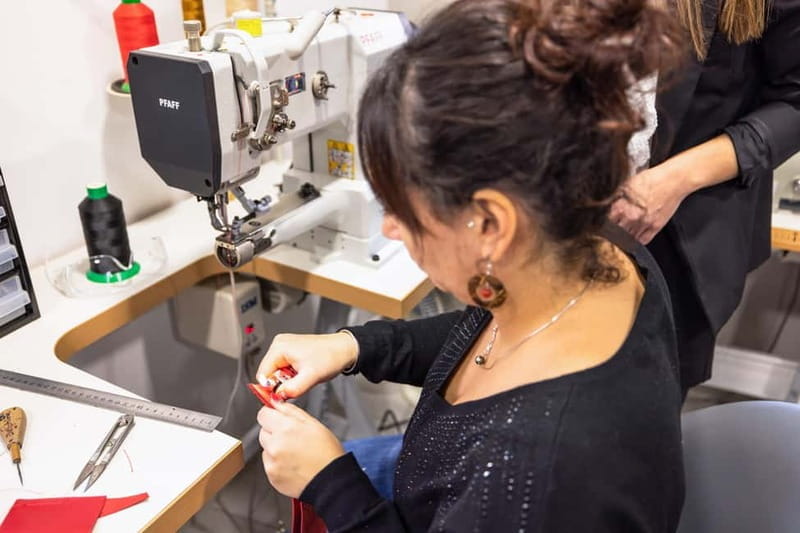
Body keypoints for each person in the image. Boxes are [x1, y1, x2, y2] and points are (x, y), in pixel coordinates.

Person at [255, 0, 686, 530]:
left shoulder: (535, 478)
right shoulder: (591, 252)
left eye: (400, 208)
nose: (389, 227)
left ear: (489, 224)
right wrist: (355, 346)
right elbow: (483, 341)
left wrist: (331, 484)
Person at [610, 0, 800, 394]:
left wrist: (673, 181)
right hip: (553, 220)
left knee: (630, 418)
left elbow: (794, 104)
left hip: (672, 239)